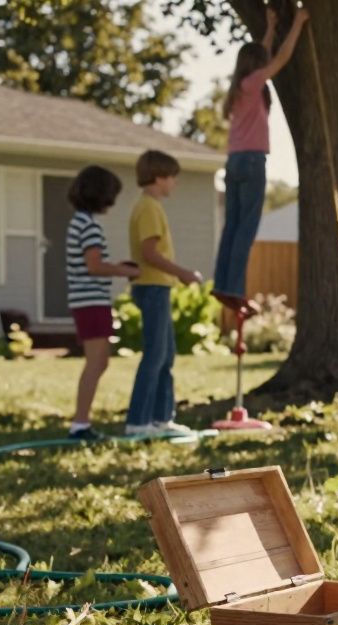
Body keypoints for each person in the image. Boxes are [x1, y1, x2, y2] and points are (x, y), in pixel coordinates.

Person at [211, 5, 310, 315]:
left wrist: (269, 27)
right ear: (256, 65)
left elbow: (265, 54)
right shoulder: (254, 83)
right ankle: (235, 289)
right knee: (246, 227)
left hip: (233, 162)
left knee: (232, 226)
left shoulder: (240, 87)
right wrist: (298, 23)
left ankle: (223, 284)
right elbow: (280, 59)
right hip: (252, 162)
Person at [126, 150, 202, 437]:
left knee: (166, 354)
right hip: (153, 287)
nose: (175, 183)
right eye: (172, 178)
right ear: (159, 178)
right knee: (155, 355)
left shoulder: (150, 206)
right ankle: (138, 421)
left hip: (158, 287)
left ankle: (161, 418)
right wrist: (182, 272)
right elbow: (149, 253)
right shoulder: (149, 208)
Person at [65, 166, 141, 440]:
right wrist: (125, 271)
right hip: (91, 301)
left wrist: (117, 267)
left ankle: (82, 422)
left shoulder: (80, 222)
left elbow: (92, 263)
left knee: (99, 362)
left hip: (87, 300)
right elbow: (94, 266)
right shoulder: (89, 225)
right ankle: (80, 424)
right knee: (96, 362)